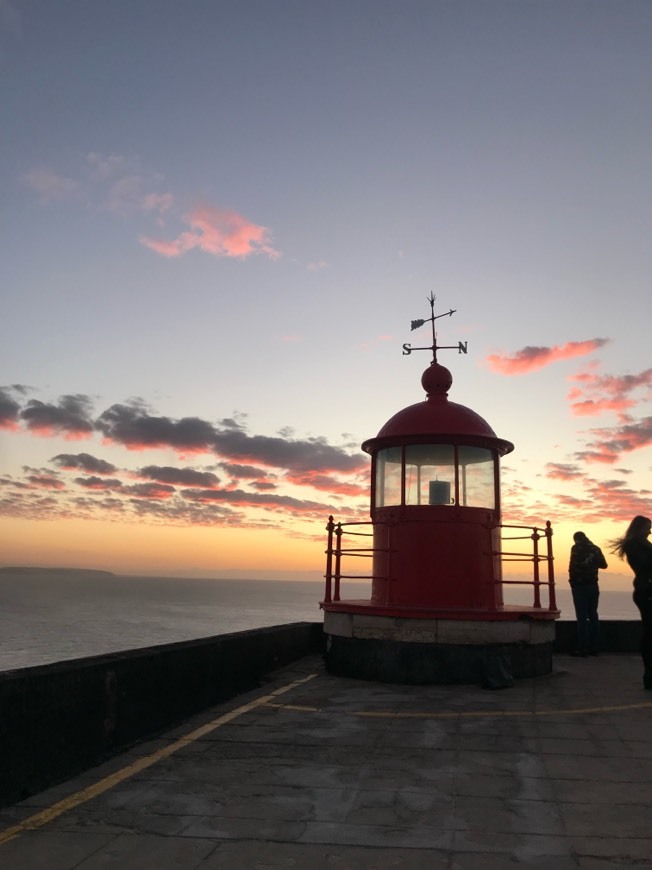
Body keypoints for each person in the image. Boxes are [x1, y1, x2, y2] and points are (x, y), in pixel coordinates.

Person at [610, 515, 652, 690]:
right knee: (650, 634)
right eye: (648, 528)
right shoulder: (634, 545)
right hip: (646, 591)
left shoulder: (643, 544)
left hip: (647, 589)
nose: (650, 531)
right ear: (639, 528)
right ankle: (649, 675)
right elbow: (645, 565)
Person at [568, 531, 607, 656]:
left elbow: (572, 566)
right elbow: (604, 565)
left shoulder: (576, 548)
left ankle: (582, 648)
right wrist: (593, 562)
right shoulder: (595, 549)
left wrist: (572, 582)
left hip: (579, 586)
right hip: (593, 586)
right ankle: (594, 648)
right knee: (593, 616)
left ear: (576, 539)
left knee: (582, 618)